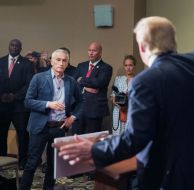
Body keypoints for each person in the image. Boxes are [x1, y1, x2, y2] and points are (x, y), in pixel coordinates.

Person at [55, 12, 194, 190]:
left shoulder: (145, 82)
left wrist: (95, 149)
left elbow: (135, 139)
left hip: (173, 178)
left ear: (142, 47)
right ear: (173, 42)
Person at [19, 49, 82, 190]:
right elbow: (27, 101)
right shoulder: (39, 78)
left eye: (64, 60)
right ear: (52, 61)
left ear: (67, 63)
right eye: (58, 60)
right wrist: (48, 104)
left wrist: (73, 116)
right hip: (40, 127)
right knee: (32, 163)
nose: (61, 63)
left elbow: (81, 101)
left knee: (53, 166)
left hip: (59, 128)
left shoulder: (71, 81)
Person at [0, 39, 34, 169]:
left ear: (20, 48)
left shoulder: (26, 64)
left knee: (23, 135)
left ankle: (22, 162)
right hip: (2, 105)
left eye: (17, 46)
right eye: (12, 45)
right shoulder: (1, 61)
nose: (14, 47)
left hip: (19, 107)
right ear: (9, 46)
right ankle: (2, 161)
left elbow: (29, 84)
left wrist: (15, 96)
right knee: (1, 134)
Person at [74, 42, 112, 134]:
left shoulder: (106, 68)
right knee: (76, 138)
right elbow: (74, 82)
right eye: (89, 50)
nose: (91, 53)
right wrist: (86, 88)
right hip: (78, 109)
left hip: (94, 109)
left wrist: (81, 80)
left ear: (100, 52)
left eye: (94, 51)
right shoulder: (81, 65)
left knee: (91, 139)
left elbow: (99, 83)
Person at [111, 55, 136, 135]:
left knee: (130, 137)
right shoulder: (118, 79)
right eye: (126, 65)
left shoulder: (138, 80)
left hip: (131, 113)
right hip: (118, 112)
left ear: (134, 66)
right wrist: (120, 104)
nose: (128, 68)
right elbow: (113, 97)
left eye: (130, 65)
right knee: (117, 137)